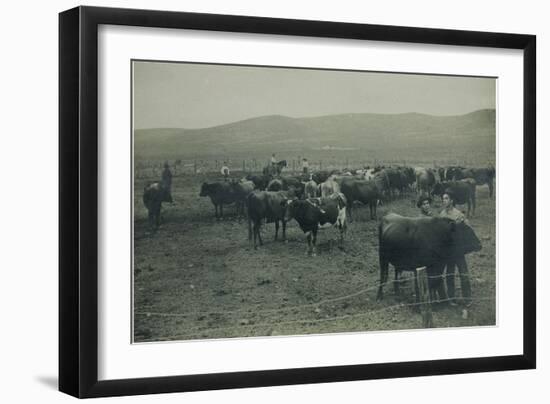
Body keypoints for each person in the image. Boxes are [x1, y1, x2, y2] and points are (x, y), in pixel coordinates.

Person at [439, 191, 472, 307]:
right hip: (448, 251)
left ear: (452, 200)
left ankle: (467, 298)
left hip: (458, 249)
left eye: (446, 198)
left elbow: (468, 229)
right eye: (443, 199)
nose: (444, 201)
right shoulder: (441, 215)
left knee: (463, 273)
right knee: (449, 274)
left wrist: (463, 223)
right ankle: (452, 298)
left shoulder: (458, 214)